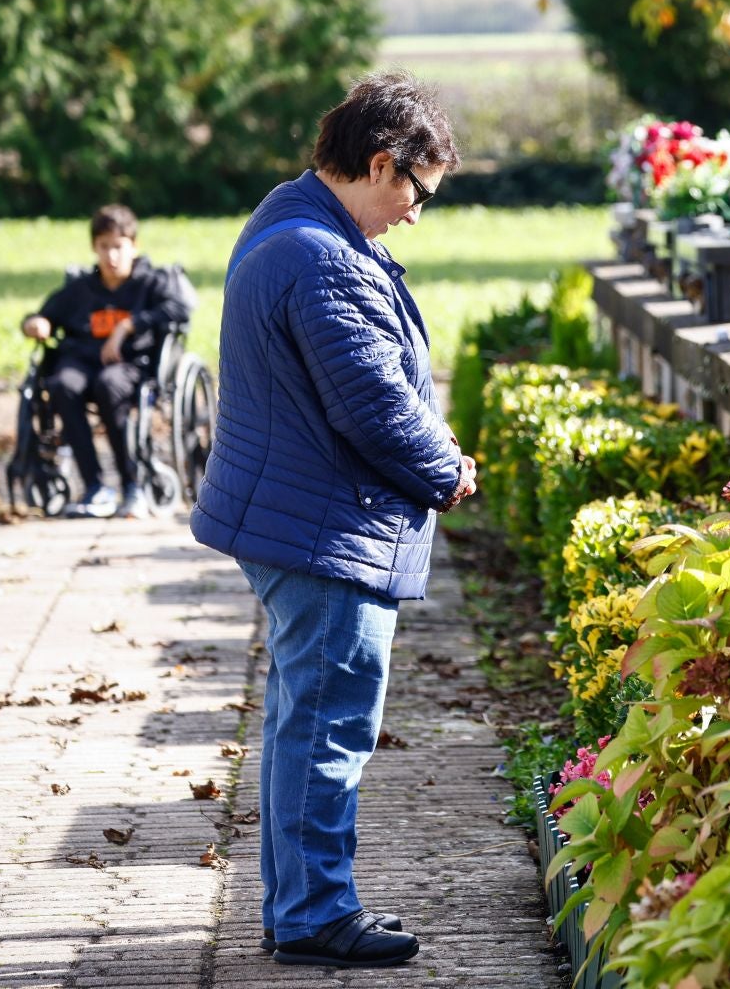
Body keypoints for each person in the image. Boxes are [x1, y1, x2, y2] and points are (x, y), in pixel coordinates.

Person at [191, 71, 476, 970]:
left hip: (301, 514)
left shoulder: (294, 220)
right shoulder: (318, 254)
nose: (416, 214)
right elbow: (372, 406)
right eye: (416, 193)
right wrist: (447, 469)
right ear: (380, 162)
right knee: (327, 726)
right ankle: (315, 914)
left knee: (302, 719)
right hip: (324, 527)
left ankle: (299, 906)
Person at [22, 204, 197, 519]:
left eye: (118, 246)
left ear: (133, 246)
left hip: (132, 365)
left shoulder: (151, 282)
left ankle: (132, 483)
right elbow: (43, 315)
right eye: (104, 247)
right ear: (94, 248)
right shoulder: (81, 289)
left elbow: (181, 308)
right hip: (81, 361)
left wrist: (129, 325)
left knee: (109, 385)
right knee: (62, 384)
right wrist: (37, 324)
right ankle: (95, 486)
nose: (111, 255)